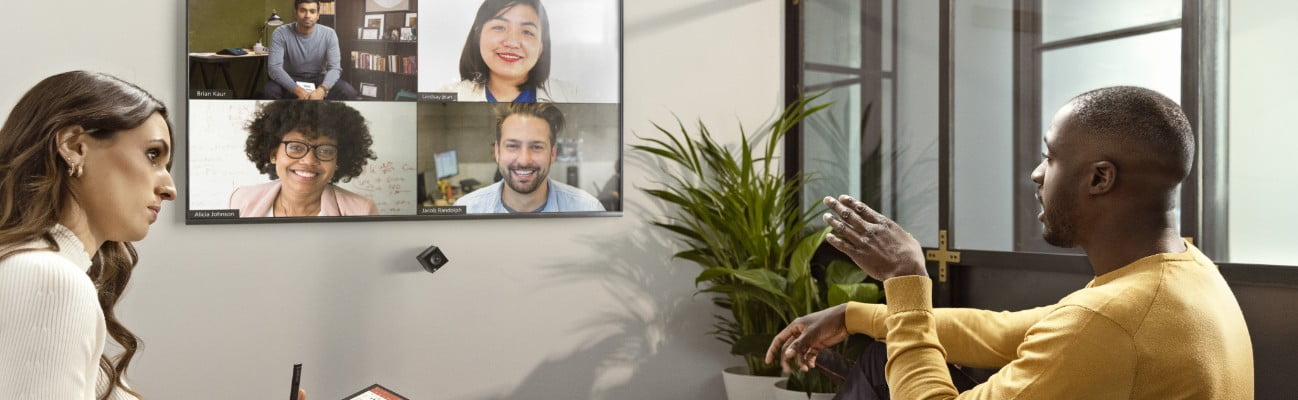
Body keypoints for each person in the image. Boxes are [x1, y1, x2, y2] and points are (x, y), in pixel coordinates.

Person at [767, 86, 1253, 399]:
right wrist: (854, 316)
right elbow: (1002, 333)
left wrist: (906, 279)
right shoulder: (1187, 273)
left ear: (1100, 178)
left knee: (885, 368)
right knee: (880, 358)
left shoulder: (1109, 321)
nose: (1036, 174)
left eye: (1051, 156)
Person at [0, 71, 174, 399]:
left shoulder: (40, 271)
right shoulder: (50, 280)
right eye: (153, 155)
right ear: (74, 147)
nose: (169, 188)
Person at [229, 100, 378, 217]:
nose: (309, 161)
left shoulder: (361, 210)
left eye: (325, 151)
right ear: (273, 154)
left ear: (338, 161)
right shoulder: (241, 200)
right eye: (296, 147)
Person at [455, 103, 603, 213]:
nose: (524, 160)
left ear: (553, 154)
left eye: (537, 147)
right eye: (513, 146)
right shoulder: (467, 209)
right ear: (497, 152)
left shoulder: (588, 208)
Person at [438, 0, 577, 103]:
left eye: (527, 32)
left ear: (541, 47)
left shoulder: (571, 96)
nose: (512, 43)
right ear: (478, 35)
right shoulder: (446, 96)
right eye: (499, 27)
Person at [265, 0, 358, 100]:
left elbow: (335, 68)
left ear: (318, 15)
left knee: (349, 92)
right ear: (295, 13)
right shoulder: (280, 33)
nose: (307, 15)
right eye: (303, 10)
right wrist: (297, 90)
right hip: (290, 78)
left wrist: (322, 89)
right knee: (267, 93)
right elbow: (274, 68)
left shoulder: (329, 34)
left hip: (319, 79)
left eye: (312, 11)